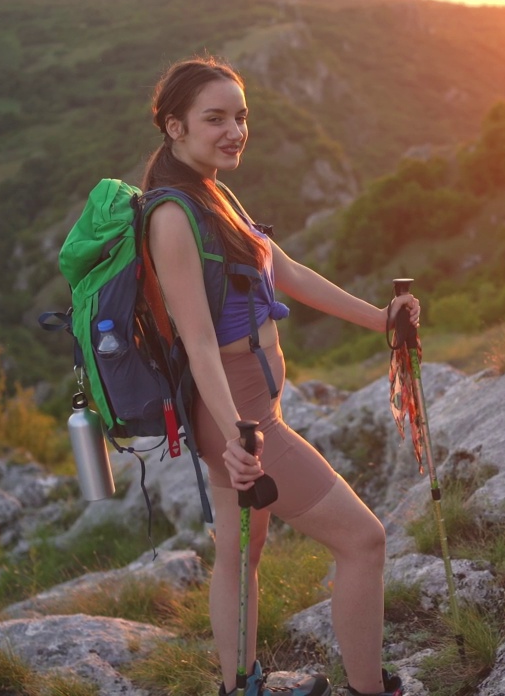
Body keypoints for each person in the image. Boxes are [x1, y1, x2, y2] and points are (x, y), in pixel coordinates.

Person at [143, 55, 414, 696]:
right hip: (236, 410)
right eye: (215, 118)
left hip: (246, 405)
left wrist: (380, 320)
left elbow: (284, 270)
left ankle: (242, 686)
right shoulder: (173, 216)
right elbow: (200, 341)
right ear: (173, 125)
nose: (234, 130)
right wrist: (239, 435)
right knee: (364, 541)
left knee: (242, 554)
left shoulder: (213, 192)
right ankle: (368, 690)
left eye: (241, 116)